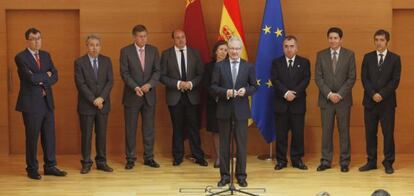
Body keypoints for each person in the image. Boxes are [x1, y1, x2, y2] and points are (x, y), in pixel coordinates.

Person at [15, 27, 67, 180]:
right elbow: (29, 78)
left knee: (49, 136)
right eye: (33, 39)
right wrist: (46, 75)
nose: (37, 41)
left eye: (39, 38)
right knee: (32, 137)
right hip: (31, 104)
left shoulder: (46, 55)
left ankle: (50, 166)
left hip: (47, 102)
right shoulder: (21, 57)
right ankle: (32, 169)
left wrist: (41, 76)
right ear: (27, 41)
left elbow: (55, 75)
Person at [211, 37, 257, 187]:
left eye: (237, 49)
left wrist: (246, 91)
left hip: (241, 111)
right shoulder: (219, 66)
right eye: (232, 48)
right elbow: (213, 87)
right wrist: (226, 92)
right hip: (224, 110)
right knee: (224, 145)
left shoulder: (248, 66)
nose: (235, 51)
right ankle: (225, 176)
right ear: (228, 49)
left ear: (241, 49)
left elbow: (254, 87)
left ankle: (241, 175)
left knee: (242, 145)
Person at [160, 29, 207, 167]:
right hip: (175, 97)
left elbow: (201, 74)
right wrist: (179, 84)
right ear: (173, 39)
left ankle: (198, 156)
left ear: (186, 38)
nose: (181, 40)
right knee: (177, 127)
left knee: (194, 127)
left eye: (183, 37)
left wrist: (191, 84)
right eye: (177, 37)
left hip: (192, 96)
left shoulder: (195, 53)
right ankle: (178, 156)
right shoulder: (166, 54)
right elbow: (162, 76)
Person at [359, 29, 401, 174]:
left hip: (387, 103)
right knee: (370, 133)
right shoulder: (368, 57)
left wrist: (381, 94)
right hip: (370, 102)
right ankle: (371, 161)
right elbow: (364, 79)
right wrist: (373, 94)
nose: (378, 42)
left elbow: (395, 81)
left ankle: (388, 162)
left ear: (387, 41)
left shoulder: (395, 58)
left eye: (381, 40)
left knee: (388, 134)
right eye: (376, 39)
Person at [315, 27, 356, 172]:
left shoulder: (349, 55)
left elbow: (352, 78)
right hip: (326, 100)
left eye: (335, 38)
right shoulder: (321, 55)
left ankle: (344, 161)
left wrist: (339, 94)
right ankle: (326, 161)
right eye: (330, 38)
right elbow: (318, 78)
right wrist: (329, 94)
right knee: (326, 132)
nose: (333, 40)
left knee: (344, 131)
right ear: (328, 39)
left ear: (341, 39)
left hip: (343, 101)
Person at [120, 24, 161, 169]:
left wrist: (149, 84)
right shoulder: (125, 51)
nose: (143, 39)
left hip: (149, 96)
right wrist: (135, 87)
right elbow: (124, 73)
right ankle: (130, 158)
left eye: (145, 36)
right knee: (130, 129)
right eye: (140, 36)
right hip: (132, 96)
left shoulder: (153, 50)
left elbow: (157, 71)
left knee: (149, 129)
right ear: (134, 37)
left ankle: (149, 158)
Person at [74, 35, 114, 174]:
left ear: (100, 46)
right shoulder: (79, 62)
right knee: (86, 135)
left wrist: (101, 98)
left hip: (103, 105)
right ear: (86, 46)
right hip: (86, 105)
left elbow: (110, 81)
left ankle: (101, 162)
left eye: (97, 45)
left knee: (101, 134)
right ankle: (86, 163)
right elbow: (81, 84)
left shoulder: (107, 61)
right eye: (91, 45)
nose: (94, 48)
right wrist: (94, 100)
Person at [271, 35, 310, 171]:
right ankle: (281, 160)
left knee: (298, 134)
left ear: (296, 47)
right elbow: (275, 80)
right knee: (281, 134)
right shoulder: (276, 63)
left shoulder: (304, 62)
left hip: (297, 104)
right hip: (281, 104)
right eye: (286, 46)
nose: (289, 49)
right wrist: (286, 93)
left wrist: (294, 93)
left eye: (292, 46)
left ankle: (297, 159)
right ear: (283, 48)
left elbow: (306, 80)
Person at [203, 40, 228, 168]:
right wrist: (217, 97)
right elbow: (207, 85)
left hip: (228, 103)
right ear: (215, 51)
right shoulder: (208, 67)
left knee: (228, 130)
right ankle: (219, 157)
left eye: (225, 49)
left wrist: (225, 96)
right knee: (216, 131)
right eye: (221, 49)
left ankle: (227, 156)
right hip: (214, 103)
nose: (223, 52)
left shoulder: (231, 65)